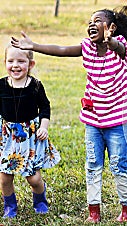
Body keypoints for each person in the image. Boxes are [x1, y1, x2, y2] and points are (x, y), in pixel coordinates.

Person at [11, 6, 127, 223]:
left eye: (97, 20)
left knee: (118, 165)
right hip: (93, 122)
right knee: (92, 164)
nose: (91, 24)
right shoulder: (87, 47)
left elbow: (118, 47)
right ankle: (93, 211)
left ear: (112, 27)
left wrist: (111, 41)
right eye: (89, 20)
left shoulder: (121, 48)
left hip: (117, 121)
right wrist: (34, 46)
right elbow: (61, 49)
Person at [0, 45, 60, 218]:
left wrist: (44, 127)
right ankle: (10, 206)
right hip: (7, 137)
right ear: (5, 63)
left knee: (33, 178)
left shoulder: (35, 86)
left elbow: (45, 107)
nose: (15, 65)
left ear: (31, 64)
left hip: (30, 137)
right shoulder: (1, 85)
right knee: (5, 177)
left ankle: (40, 200)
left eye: (21, 61)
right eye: (11, 61)